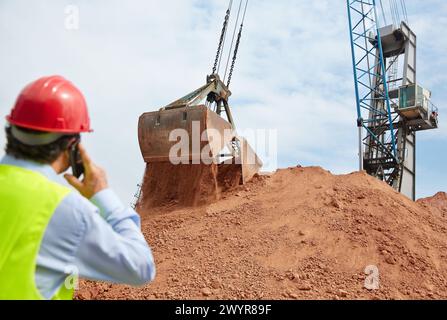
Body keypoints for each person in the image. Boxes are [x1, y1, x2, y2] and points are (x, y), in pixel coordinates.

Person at [0, 75, 155, 300]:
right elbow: (140, 268)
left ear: (12, 130)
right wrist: (103, 195)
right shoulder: (61, 208)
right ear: (73, 145)